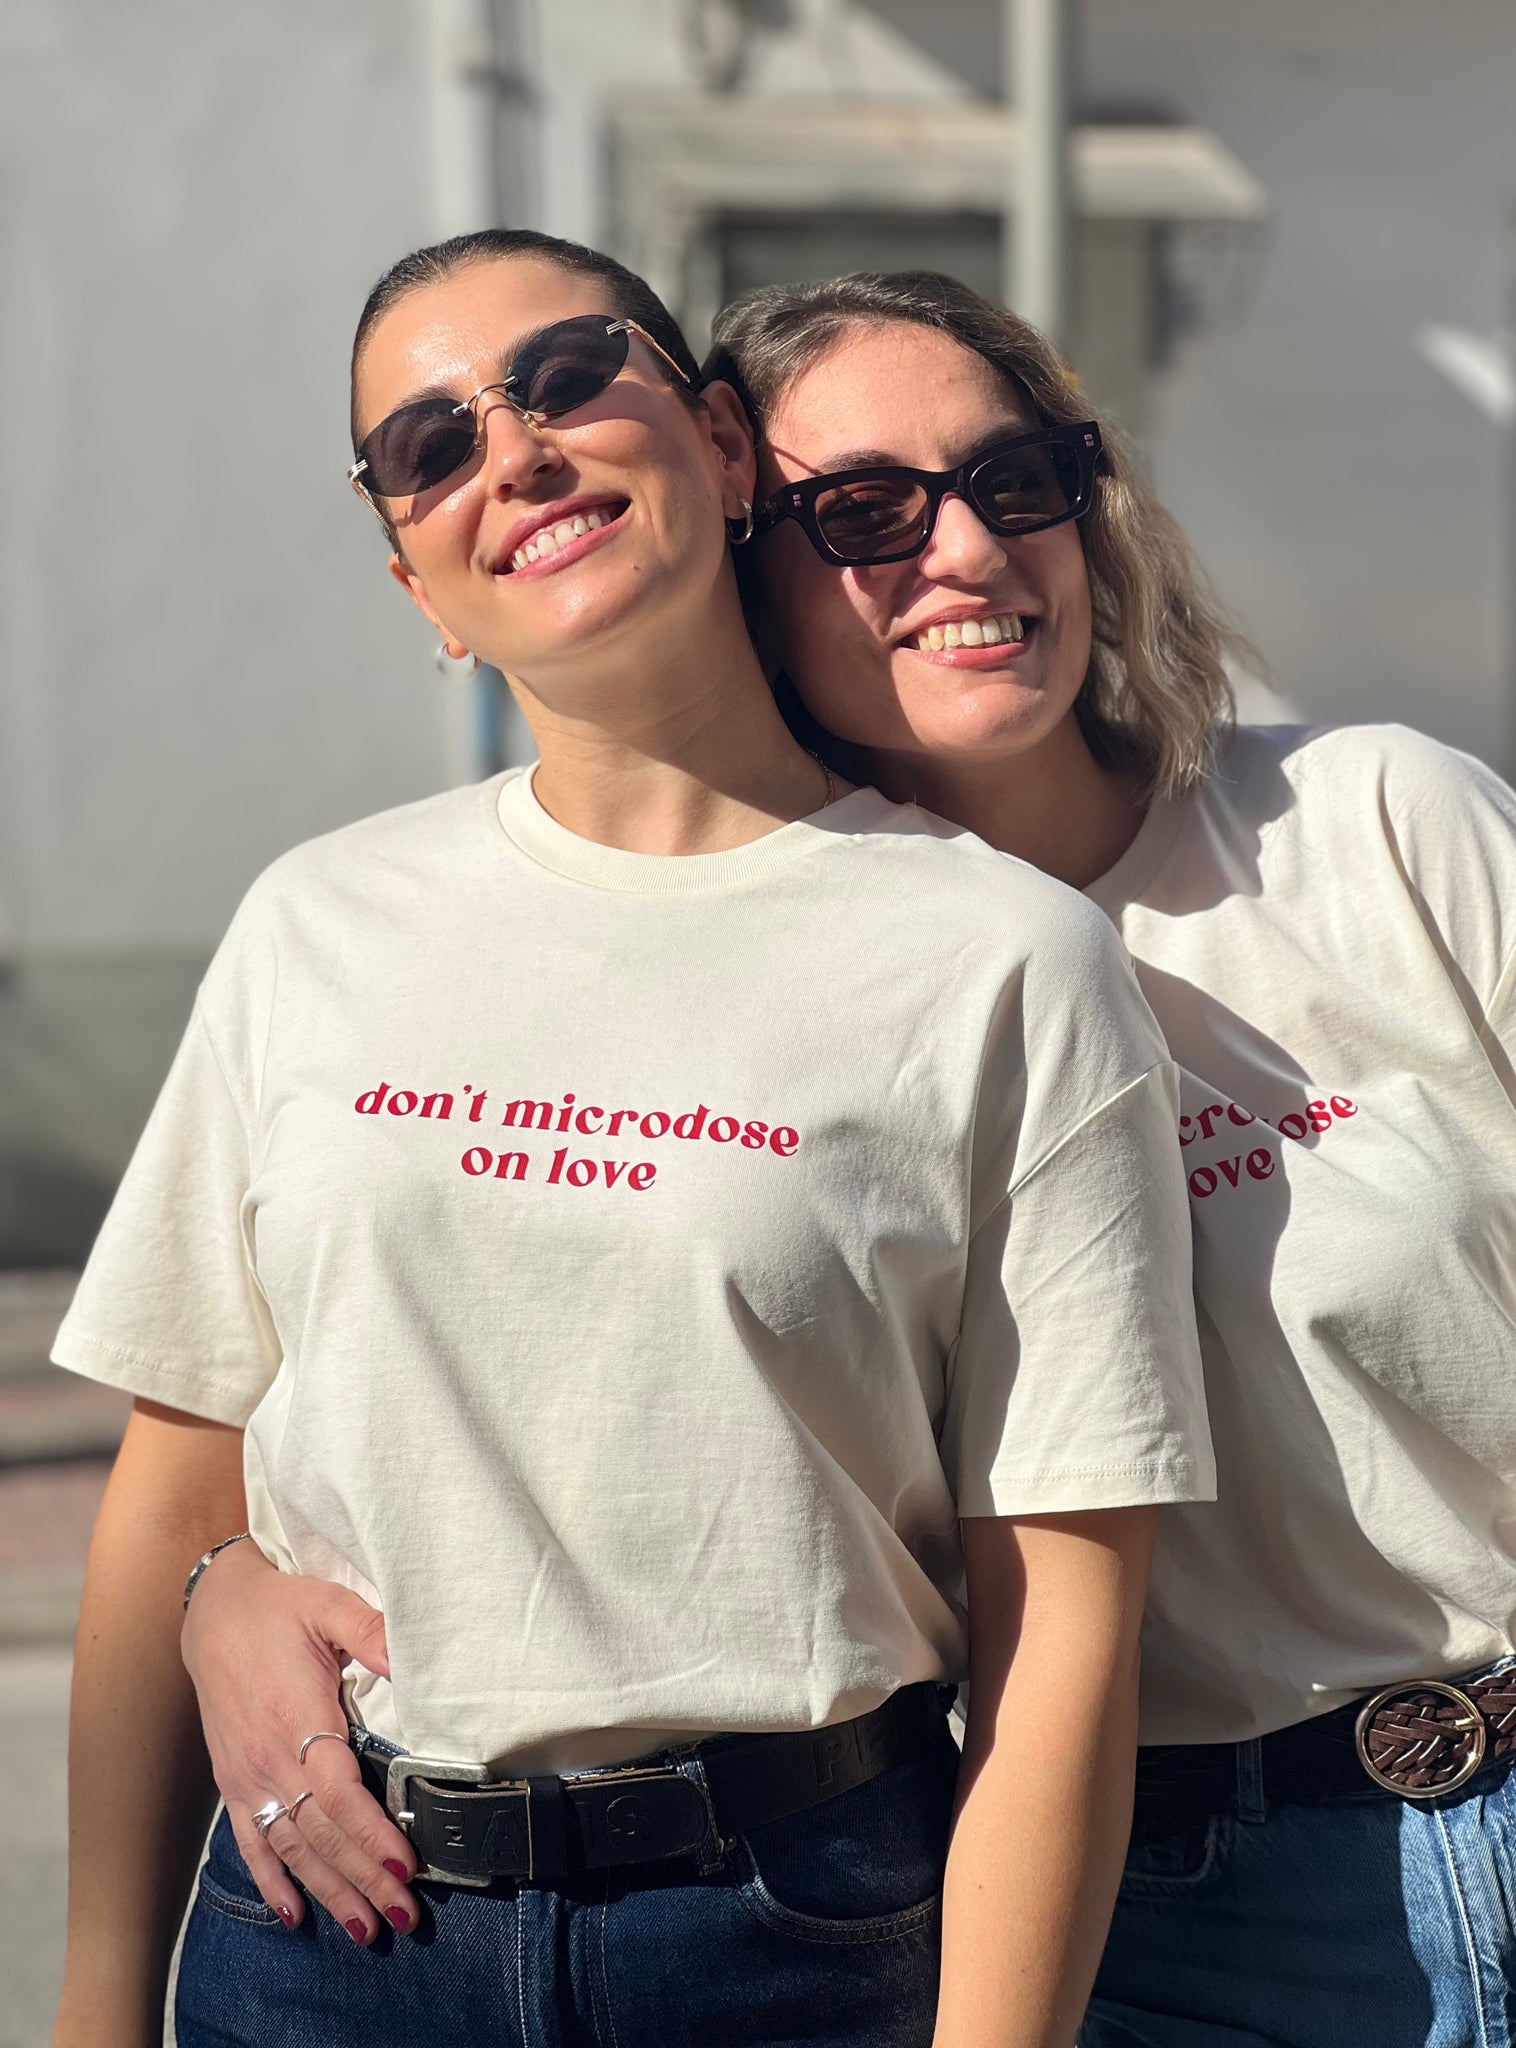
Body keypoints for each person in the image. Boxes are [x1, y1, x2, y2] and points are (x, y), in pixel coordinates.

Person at [188, 257, 1516, 2045]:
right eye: (870, 514)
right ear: (742, 534)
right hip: (1163, 1910)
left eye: (1015, 481)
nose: (967, 551)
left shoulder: (1378, 826)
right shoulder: (709, 973)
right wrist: (230, 1582)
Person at [49, 231, 1212, 2048]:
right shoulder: (315, 923)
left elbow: (1062, 1629)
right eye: (430, 444)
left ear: (726, 451)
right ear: (422, 586)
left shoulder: (1005, 960)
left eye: (570, 374)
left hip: (797, 1943)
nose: (511, 450)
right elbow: (174, 1479)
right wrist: (98, 2001)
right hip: (328, 1936)